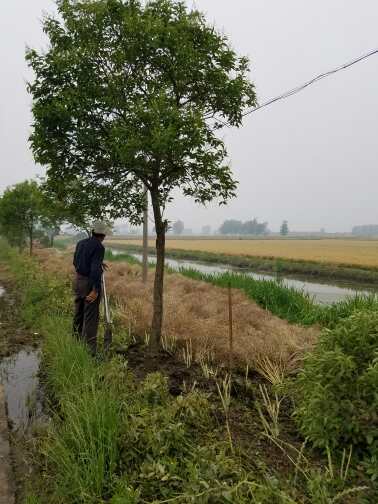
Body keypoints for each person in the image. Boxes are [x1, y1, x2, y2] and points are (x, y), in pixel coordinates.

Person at [72, 222, 108, 354]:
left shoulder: (81, 243)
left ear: (93, 232)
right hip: (88, 284)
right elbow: (94, 270)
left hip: (78, 281)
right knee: (91, 317)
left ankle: (75, 341)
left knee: (79, 312)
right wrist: (95, 290)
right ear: (103, 235)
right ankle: (90, 350)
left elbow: (76, 261)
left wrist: (98, 262)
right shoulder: (99, 247)